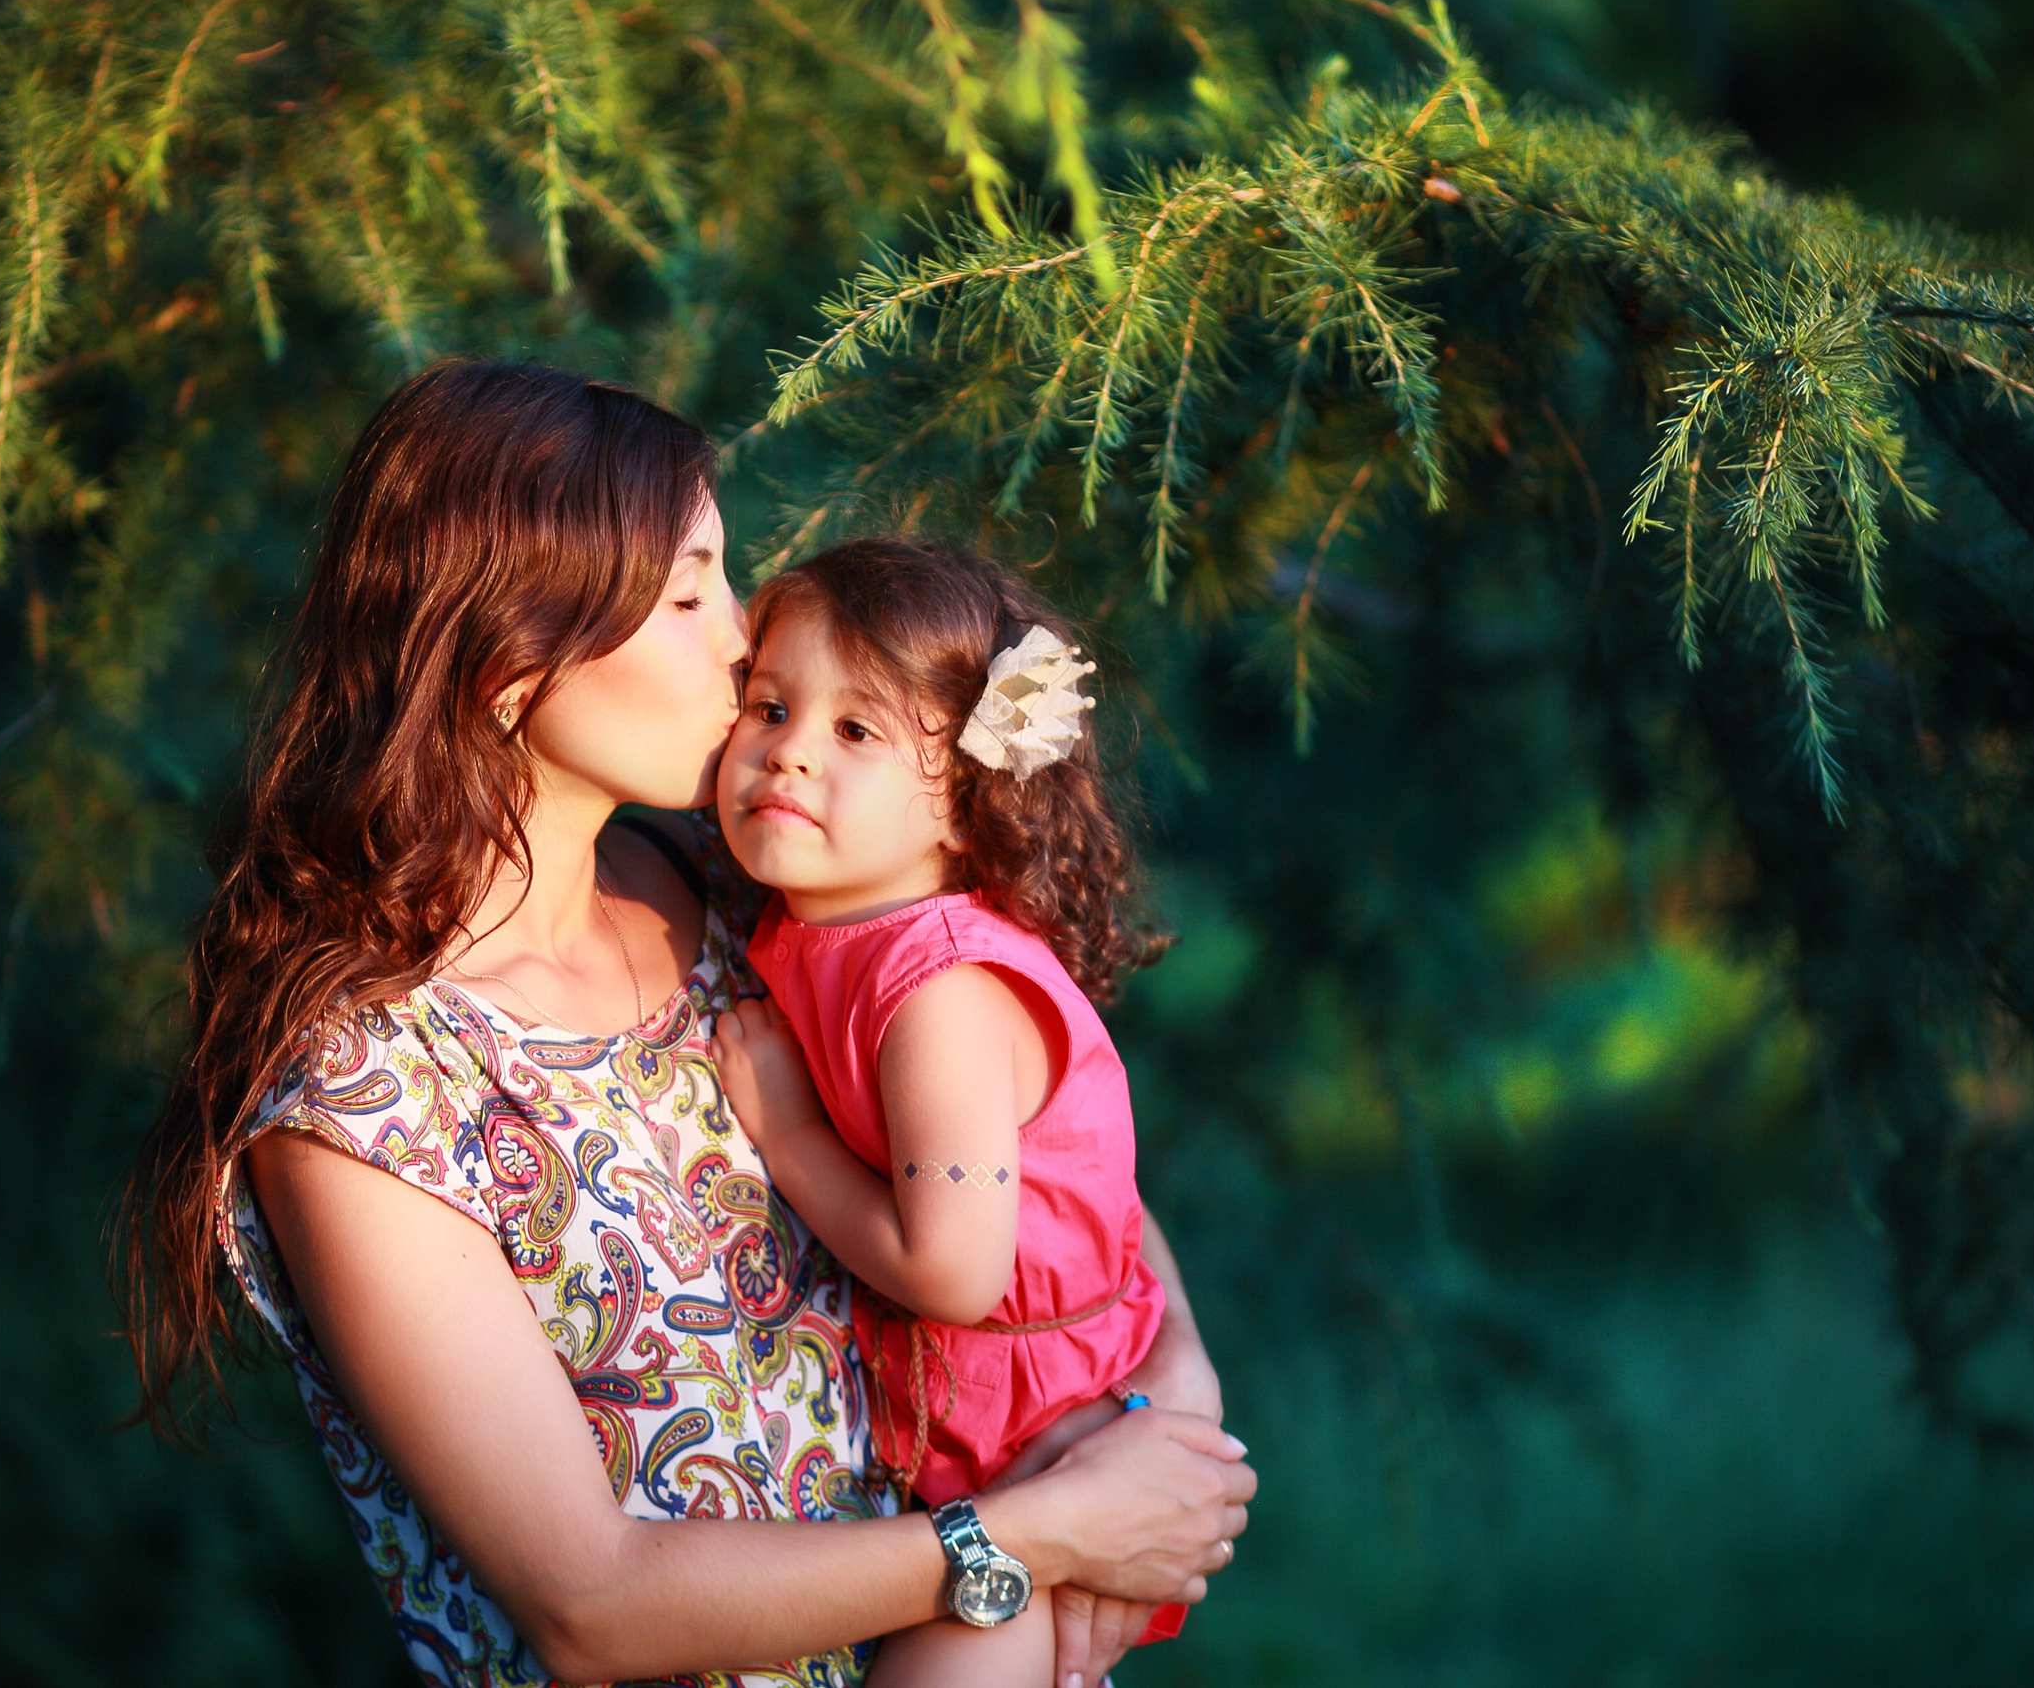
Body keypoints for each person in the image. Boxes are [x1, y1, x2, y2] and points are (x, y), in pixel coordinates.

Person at [116, 359, 1254, 1688]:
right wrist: (1033, 1536)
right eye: (686, 589)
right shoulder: (366, 1094)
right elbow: (589, 1601)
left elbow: (1052, 1163)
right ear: (508, 661)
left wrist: (1165, 1416)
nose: (737, 638)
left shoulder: (741, 898)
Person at [709, 540, 1191, 1688]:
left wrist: (786, 1137)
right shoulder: (819, 928)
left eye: (856, 732)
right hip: (979, 1425)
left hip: (1049, 1441)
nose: (787, 752)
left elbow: (957, 1271)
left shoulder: (938, 992)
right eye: (770, 705)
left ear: (969, 805)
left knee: (969, 1649)